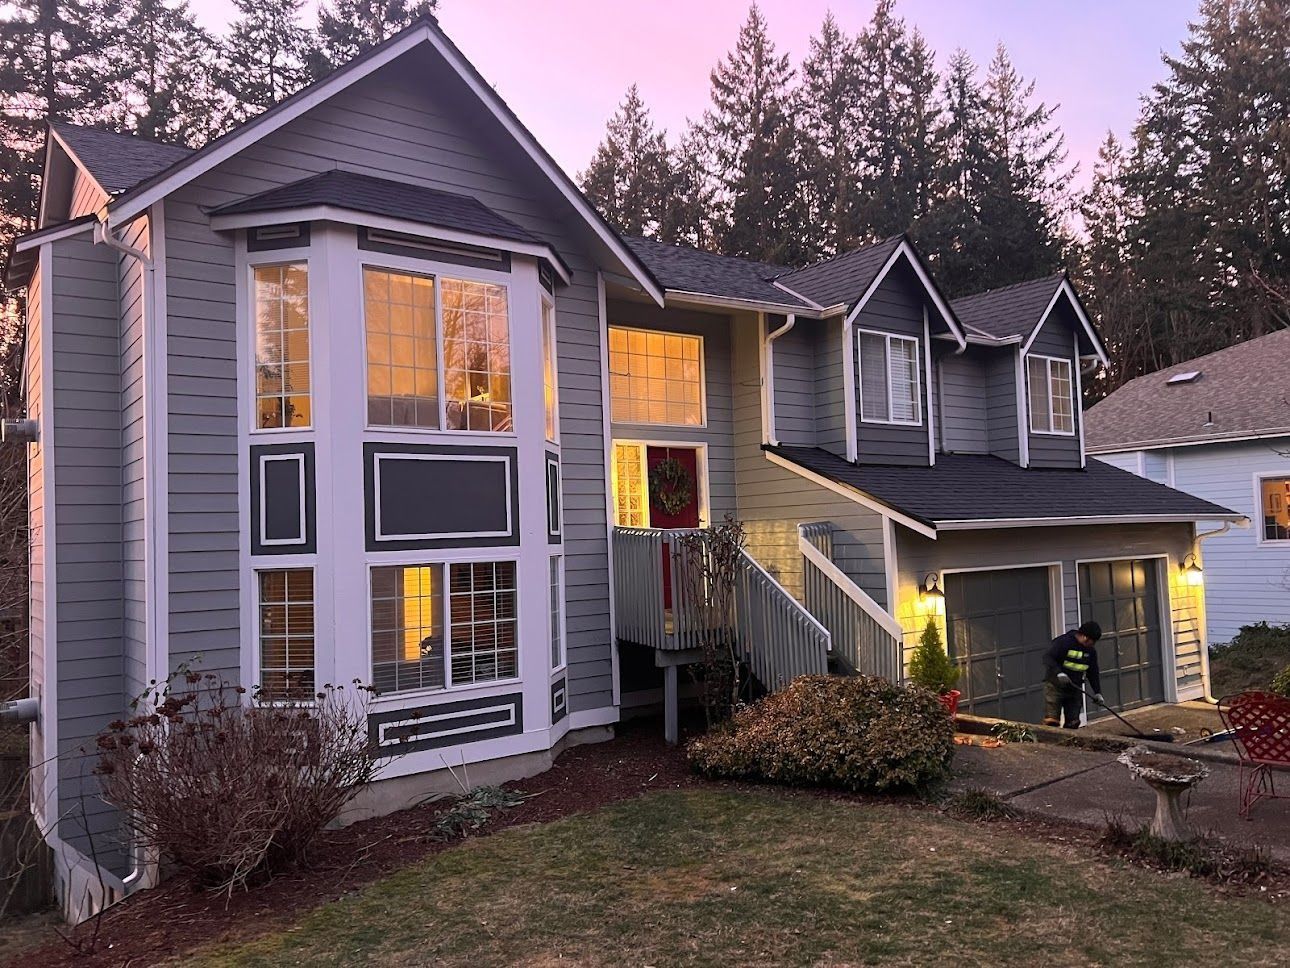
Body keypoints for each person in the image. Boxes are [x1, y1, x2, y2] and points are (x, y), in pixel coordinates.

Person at [1042, 621, 1104, 728]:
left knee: (1073, 723)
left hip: (1074, 689)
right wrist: (1059, 673)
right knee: (1052, 722)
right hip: (1055, 687)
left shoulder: (1091, 652)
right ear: (1085, 637)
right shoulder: (1064, 642)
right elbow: (1048, 657)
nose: (1093, 645)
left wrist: (1097, 692)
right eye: (1092, 642)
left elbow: (1093, 672)